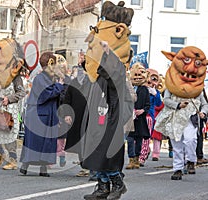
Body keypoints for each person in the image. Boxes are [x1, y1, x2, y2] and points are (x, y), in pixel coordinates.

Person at [82, 1, 134, 199]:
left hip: (111, 115)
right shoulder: (96, 74)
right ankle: (102, 186)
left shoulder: (118, 67)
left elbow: (116, 81)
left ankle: (118, 184)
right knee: (95, 151)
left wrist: (105, 52)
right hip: (97, 114)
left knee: (108, 152)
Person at [155, 46, 208, 180]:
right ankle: (177, 169)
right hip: (175, 117)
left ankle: (191, 160)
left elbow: (204, 103)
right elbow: (166, 100)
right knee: (177, 143)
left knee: (191, 139)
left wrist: (203, 112)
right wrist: (178, 105)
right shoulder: (171, 85)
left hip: (190, 118)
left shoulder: (197, 87)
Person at [19, 52, 65, 177]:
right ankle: (25, 165)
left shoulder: (49, 78)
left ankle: (43, 167)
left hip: (48, 113)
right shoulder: (40, 78)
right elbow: (46, 94)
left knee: (47, 141)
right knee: (35, 141)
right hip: (38, 114)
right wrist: (60, 85)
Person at [0, 38, 26, 170]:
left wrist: (10, 98)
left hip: (9, 108)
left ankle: (13, 160)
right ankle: (0, 154)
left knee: (8, 134)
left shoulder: (15, 76)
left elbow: (21, 92)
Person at [62, 51, 92, 177]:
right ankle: (83, 165)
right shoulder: (73, 83)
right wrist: (67, 114)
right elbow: (66, 99)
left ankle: (89, 166)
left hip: (90, 117)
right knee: (79, 142)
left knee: (89, 141)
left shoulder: (92, 82)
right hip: (76, 117)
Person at [126, 62, 150, 170]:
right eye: (135, 75)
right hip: (129, 118)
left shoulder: (144, 89)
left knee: (139, 140)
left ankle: (137, 158)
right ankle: (131, 158)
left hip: (140, 118)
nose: (137, 78)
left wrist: (143, 110)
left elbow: (148, 104)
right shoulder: (128, 87)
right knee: (130, 139)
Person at [139, 68, 162, 166]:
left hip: (148, 115)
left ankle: (142, 157)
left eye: (153, 78)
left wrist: (155, 94)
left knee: (146, 137)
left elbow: (159, 104)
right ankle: (140, 153)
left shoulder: (155, 92)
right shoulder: (139, 88)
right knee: (136, 137)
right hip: (138, 114)